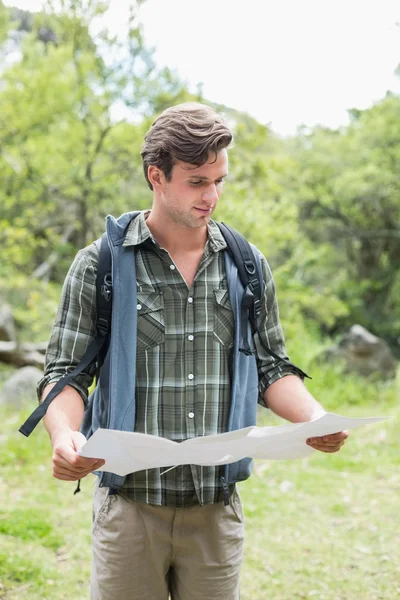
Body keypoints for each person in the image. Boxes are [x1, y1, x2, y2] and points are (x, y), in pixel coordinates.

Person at [38, 102, 348, 600]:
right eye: (198, 181)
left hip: (216, 513)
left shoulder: (247, 264)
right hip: (129, 512)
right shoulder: (99, 265)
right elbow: (65, 374)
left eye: (219, 179)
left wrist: (314, 418)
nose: (213, 195)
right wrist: (64, 435)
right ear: (155, 175)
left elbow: (271, 368)